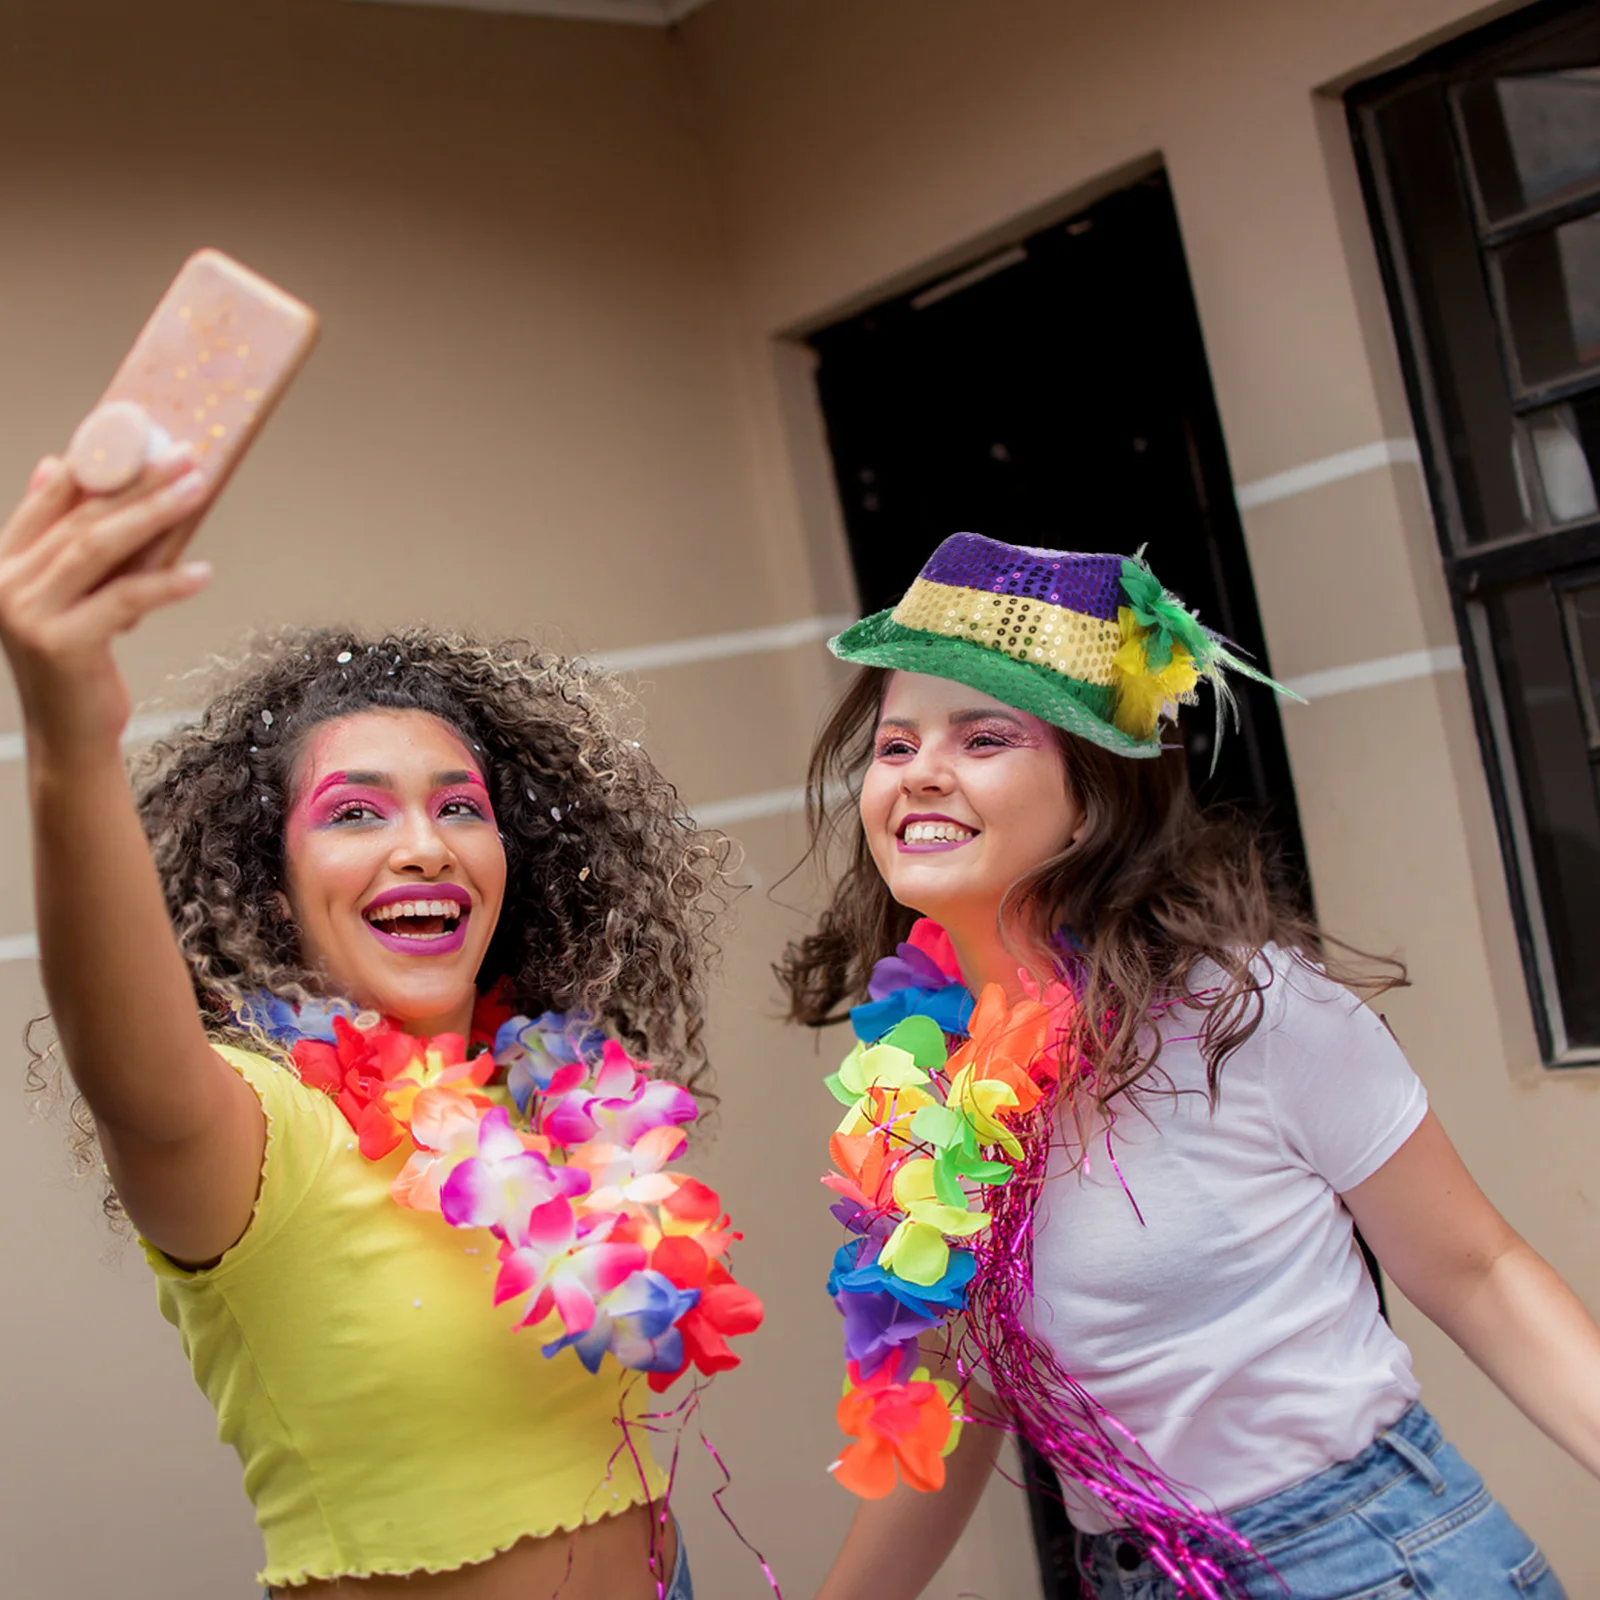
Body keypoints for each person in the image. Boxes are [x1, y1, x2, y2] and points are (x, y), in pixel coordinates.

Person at [1, 445, 760, 1599]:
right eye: (355, 812)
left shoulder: (553, 1101)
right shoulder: (256, 1130)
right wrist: (68, 738)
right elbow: (128, 1069)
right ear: (271, 880)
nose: (424, 843)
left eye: (460, 807)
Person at [778, 533, 1600, 1598]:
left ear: (1091, 792)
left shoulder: (1241, 1006)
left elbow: (1478, 1273)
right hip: (1132, 1573)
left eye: (983, 736)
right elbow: (957, 1409)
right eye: (895, 746)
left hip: (1363, 1558)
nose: (922, 770)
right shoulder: (913, 1084)